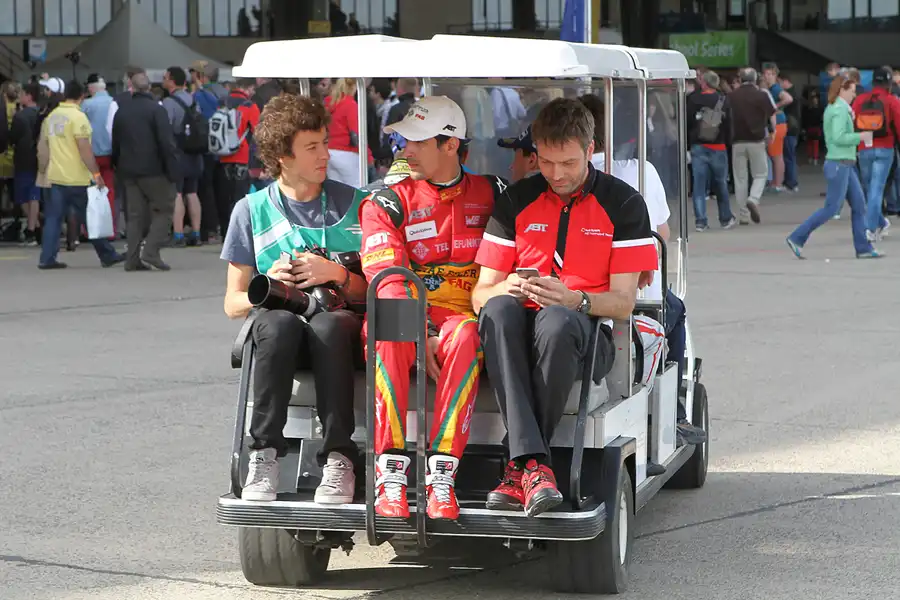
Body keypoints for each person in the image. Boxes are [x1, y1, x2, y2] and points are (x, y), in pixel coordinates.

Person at [472, 98, 658, 518]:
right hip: (519, 328)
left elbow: (624, 303)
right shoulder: (517, 199)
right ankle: (534, 468)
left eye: (568, 163)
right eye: (546, 162)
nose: (556, 174)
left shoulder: (623, 204)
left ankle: (519, 462)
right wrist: (505, 286)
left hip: (587, 331)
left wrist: (577, 299)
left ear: (590, 150)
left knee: (556, 319)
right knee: (498, 309)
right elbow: (479, 295)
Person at [359, 96, 504, 521]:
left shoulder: (494, 193)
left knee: (467, 334)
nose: (406, 150)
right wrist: (421, 332)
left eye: (418, 142)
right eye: (405, 141)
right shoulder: (387, 201)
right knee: (392, 324)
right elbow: (387, 279)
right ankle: (390, 474)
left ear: (450, 144)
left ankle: (442, 475)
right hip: (406, 317)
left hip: (465, 319)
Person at [221, 93, 370, 503]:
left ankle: (339, 458)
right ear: (283, 157)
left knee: (331, 323)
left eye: (325, 142)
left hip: (340, 337)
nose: (326, 155)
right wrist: (268, 285)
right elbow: (232, 303)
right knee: (275, 322)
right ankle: (264, 455)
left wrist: (337, 274)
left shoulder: (357, 205)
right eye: (312, 147)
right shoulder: (250, 211)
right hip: (283, 339)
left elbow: (379, 290)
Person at [577, 93, 706, 448]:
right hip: (625, 298)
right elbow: (661, 233)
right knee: (674, 310)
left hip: (592, 293)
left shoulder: (550, 178)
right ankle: (676, 414)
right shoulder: (639, 171)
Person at [786, 75, 881, 259]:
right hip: (840, 163)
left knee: (859, 205)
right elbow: (838, 137)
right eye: (852, 91)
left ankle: (863, 248)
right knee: (831, 208)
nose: (854, 95)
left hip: (844, 163)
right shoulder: (839, 110)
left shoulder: (837, 108)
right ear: (842, 90)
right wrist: (860, 137)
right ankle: (797, 237)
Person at [36, 80, 123, 270]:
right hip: (77, 177)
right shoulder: (78, 117)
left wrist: (43, 170)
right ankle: (107, 254)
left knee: (53, 219)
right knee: (89, 218)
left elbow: (44, 147)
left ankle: (47, 258)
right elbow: (84, 148)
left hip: (55, 176)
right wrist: (96, 173)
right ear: (82, 96)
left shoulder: (52, 117)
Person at [111, 73, 179, 271]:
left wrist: (118, 166)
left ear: (131, 88)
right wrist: (173, 170)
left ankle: (132, 259)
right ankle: (151, 250)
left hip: (129, 171)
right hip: (154, 170)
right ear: (149, 88)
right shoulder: (156, 110)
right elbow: (166, 142)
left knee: (135, 216)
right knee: (164, 210)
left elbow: (115, 143)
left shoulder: (122, 111)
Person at [851, 65, 899, 241]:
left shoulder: (859, 100)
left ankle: (880, 223)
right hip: (885, 148)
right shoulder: (892, 101)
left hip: (864, 148)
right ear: (889, 84)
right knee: (876, 189)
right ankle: (871, 228)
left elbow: (852, 123)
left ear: (872, 82)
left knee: (869, 189)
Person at [686, 70, 735, 231]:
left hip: (698, 147)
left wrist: (688, 145)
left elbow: (687, 123)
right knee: (721, 183)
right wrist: (728, 144)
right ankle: (725, 218)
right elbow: (728, 124)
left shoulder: (693, 99)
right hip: (719, 147)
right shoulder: (723, 99)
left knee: (699, 186)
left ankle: (701, 221)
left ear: (704, 83)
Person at [162, 66, 204, 247]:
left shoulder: (169, 102)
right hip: (195, 153)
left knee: (177, 193)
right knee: (192, 193)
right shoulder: (193, 99)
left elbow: (166, 127)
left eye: (165, 78)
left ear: (172, 81)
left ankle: (178, 235)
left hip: (178, 153)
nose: (163, 81)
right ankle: (196, 233)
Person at [728, 67, 776, 225]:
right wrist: (772, 131)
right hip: (757, 140)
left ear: (740, 79)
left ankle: (743, 215)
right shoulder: (762, 95)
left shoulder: (732, 96)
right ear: (755, 79)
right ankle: (753, 198)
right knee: (761, 174)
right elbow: (771, 114)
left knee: (740, 179)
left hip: (737, 141)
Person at [214, 78, 260, 239]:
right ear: (248, 88)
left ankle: (225, 233)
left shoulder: (222, 103)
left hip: (222, 156)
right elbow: (258, 133)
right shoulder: (249, 106)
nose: (253, 93)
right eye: (252, 89)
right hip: (242, 157)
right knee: (240, 199)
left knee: (224, 198)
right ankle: (239, 235)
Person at [9, 82, 41, 246]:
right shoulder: (42, 114)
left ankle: (33, 228)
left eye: (22, 94)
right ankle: (34, 227)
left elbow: (12, 138)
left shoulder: (20, 117)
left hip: (23, 159)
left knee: (22, 197)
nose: (20, 97)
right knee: (34, 195)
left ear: (29, 96)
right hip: (39, 159)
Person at [762, 63, 793, 192]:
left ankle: (777, 183)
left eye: (770, 74)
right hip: (778, 123)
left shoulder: (775, 88)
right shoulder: (771, 88)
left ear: (775, 75)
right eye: (765, 73)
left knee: (776, 155)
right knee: (775, 154)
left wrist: (775, 106)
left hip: (778, 124)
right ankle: (776, 182)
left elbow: (788, 98)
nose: (767, 76)